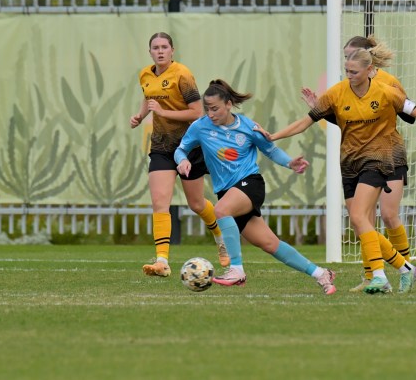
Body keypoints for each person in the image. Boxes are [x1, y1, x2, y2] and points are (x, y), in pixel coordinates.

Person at [261, 47, 416, 294]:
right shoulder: (336, 93)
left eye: (354, 72)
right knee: (359, 221)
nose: (349, 75)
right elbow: (305, 122)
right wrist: (273, 136)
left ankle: (379, 277)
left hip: (380, 159)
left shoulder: (386, 91)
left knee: (360, 217)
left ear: (369, 70)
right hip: (350, 163)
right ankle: (406, 268)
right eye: (347, 71)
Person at [174, 79, 337, 295]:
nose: (211, 114)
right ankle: (321, 273)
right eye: (207, 109)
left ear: (228, 104)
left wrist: (290, 163)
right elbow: (180, 149)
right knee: (270, 244)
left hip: (250, 184)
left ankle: (236, 270)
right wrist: (182, 160)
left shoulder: (248, 127)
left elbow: (271, 150)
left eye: (215, 109)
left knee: (220, 210)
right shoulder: (200, 126)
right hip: (227, 192)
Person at [300, 35, 416, 292]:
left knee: (387, 215)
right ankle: (374, 274)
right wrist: (322, 110)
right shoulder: (346, 86)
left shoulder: (386, 83)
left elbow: (408, 115)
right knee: (362, 221)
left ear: (367, 59)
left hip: (387, 155)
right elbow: (348, 120)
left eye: (351, 56)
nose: (348, 62)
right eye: (345, 58)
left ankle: (404, 269)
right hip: (355, 159)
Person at [129, 32, 228, 277]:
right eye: (155, 47)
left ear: (172, 50)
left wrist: (163, 112)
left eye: (164, 47)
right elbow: (148, 97)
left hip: (189, 146)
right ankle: (162, 261)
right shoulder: (145, 74)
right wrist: (140, 116)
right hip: (161, 146)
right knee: (159, 202)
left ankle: (220, 237)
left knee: (196, 204)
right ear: (150, 52)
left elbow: (196, 112)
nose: (160, 51)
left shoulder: (182, 74)